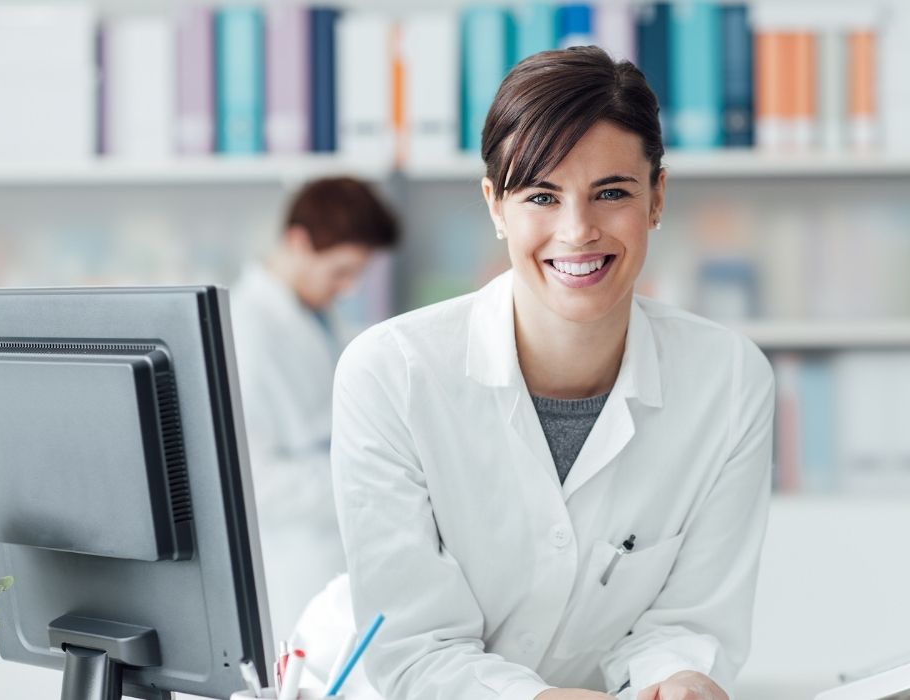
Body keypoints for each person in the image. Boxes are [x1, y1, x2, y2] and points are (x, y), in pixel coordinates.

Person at [325, 47, 774, 700]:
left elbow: (687, 621)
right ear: (495, 207)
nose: (578, 230)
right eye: (542, 195)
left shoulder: (729, 382)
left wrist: (680, 677)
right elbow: (417, 652)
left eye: (612, 193)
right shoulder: (392, 374)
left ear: (657, 198)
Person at [230, 176, 399, 643]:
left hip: (338, 552)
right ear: (298, 241)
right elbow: (252, 480)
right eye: (341, 272)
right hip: (294, 561)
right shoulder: (246, 332)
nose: (349, 289)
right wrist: (366, 482)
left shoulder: (317, 316)